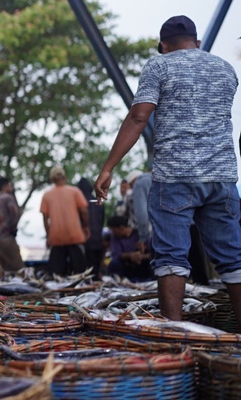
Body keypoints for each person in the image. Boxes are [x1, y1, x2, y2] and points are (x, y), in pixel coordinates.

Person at [95, 15, 241, 323]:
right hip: (222, 177)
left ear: (164, 45)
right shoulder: (226, 69)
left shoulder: (159, 65)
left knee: (172, 256)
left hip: (175, 176)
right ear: (197, 42)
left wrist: (109, 168)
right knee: (233, 258)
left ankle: (173, 334)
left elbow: (138, 118)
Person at [40, 166, 89, 276]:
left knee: (57, 275)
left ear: (52, 180)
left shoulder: (47, 195)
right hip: (74, 235)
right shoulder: (75, 192)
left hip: (56, 237)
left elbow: (45, 218)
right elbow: (84, 211)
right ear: (65, 177)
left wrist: (49, 235)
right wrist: (85, 227)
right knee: (79, 274)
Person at [0, 177, 25, 272]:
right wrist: (12, 230)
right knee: (20, 270)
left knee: (0, 272)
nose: (11, 187)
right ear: (4, 186)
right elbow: (14, 214)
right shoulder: (8, 198)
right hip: (7, 240)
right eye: (10, 185)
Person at [106, 215, 153, 282]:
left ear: (121, 228)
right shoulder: (115, 237)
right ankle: (118, 281)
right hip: (126, 264)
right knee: (114, 263)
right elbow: (116, 254)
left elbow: (152, 253)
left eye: (113, 229)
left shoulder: (140, 234)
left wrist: (141, 256)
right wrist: (131, 255)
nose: (112, 232)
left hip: (142, 263)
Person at [76, 178, 105, 278]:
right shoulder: (97, 201)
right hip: (98, 239)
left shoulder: (79, 203)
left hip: (85, 240)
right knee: (95, 270)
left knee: (85, 271)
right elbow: (102, 221)